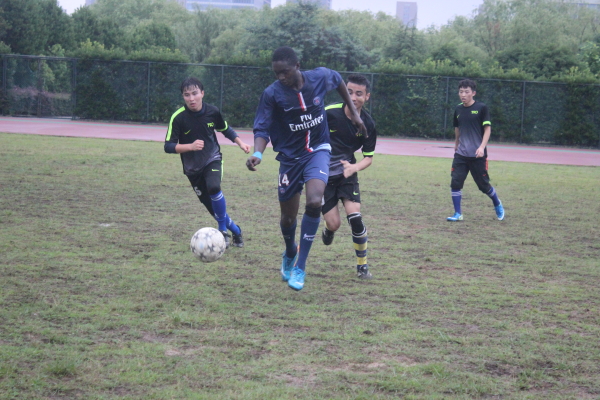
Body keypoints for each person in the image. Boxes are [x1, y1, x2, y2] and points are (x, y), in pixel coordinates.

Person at [246, 46, 366, 291]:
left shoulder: (319, 77)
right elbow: (262, 127)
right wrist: (258, 153)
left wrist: (354, 113)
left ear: (297, 66)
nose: (281, 77)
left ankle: (300, 266)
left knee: (313, 201)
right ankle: (290, 251)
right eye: (277, 73)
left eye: (285, 72)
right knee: (288, 217)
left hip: (318, 150)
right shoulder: (272, 94)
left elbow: (338, 80)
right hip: (290, 158)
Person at [165, 77, 251, 247]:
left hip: (212, 159)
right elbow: (168, 146)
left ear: (202, 93)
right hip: (192, 169)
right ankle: (236, 231)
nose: (191, 98)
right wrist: (190, 146)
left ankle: (222, 231)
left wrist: (241, 143)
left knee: (214, 187)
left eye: (195, 93)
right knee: (214, 209)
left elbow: (225, 129)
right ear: (183, 97)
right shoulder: (178, 117)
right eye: (187, 95)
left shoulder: (212, 111)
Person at [321, 73, 377, 280]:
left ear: (367, 96)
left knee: (355, 217)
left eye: (359, 94)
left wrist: (354, 168)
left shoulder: (368, 124)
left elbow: (368, 158)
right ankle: (329, 229)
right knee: (334, 224)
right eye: (350, 92)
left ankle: (362, 266)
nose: (353, 97)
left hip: (347, 173)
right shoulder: (329, 113)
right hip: (323, 175)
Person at [447, 79, 505, 222]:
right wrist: (456, 143)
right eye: (461, 92)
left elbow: (487, 129)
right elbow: (457, 128)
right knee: (455, 183)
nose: (463, 95)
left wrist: (481, 147)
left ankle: (497, 203)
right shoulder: (458, 109)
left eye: (466, 92)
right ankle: (458, 213)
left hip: (477, 155)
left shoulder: (481, 108)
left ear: (473, 93)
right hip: (461, 154)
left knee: (483, 186)